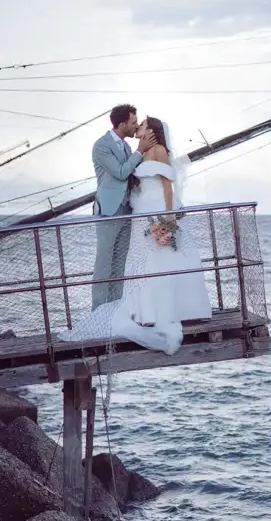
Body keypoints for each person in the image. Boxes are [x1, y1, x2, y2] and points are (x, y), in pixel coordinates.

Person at [63, 114, 212, 355]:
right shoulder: (138, 152)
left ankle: (171, 310)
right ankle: (145, 312)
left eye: (142, 124)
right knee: (141, 263)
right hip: (140, 211)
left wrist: (169, 216)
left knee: (162, 259)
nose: (138, 127)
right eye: (137, 123)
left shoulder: (160, 151)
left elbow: (166, 185)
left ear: (152, 131)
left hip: (155, 209)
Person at [91, 104, 154, 308]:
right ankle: (98, 313)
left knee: (119, 264)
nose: (135, 126)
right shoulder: (101, 146)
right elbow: (120, 172)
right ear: (121, 124)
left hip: (126, 210)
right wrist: (140, 151)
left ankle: (115, 309)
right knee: (104, 264)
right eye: (133, 122)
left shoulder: (126, 147)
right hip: (108, 212)